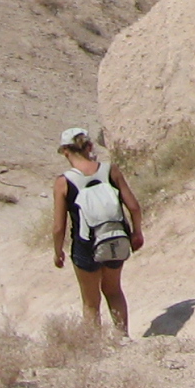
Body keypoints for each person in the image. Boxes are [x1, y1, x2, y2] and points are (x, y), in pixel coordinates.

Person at [50, 127, 144, 335]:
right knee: (114, 291)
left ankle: (95, 345)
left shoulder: (63, 182)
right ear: (90, 146)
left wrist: (58, 252)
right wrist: (137, 233)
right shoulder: (110, 170)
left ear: (65, 151)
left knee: (91, 302)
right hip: (116, 238)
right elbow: (134, 207)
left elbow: (58, 227)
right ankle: (122, 338)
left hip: (85, 245)